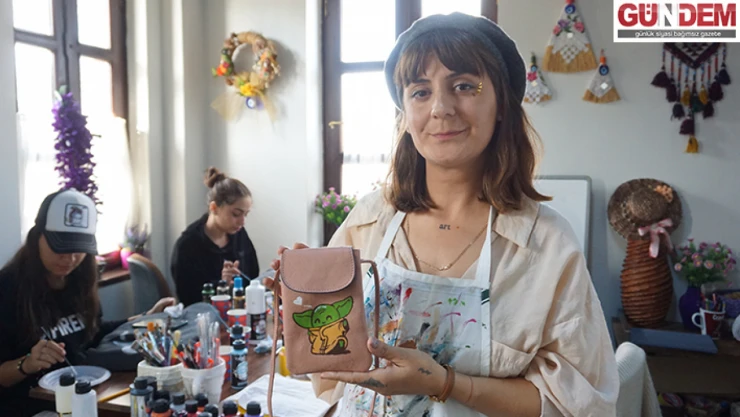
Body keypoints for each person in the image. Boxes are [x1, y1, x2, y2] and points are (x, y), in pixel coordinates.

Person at [268, 13, 619, 417]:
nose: (440, 108)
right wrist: (304, 303)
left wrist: (443, 383)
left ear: (500, 104)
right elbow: (333, 367)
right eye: (420, 92)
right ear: (405, 114)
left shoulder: (546, 245)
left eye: (464, 86)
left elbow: (577, 402)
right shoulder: (368, 220)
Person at [0, 189, 175, 416]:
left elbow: (93, 331)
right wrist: (27, 363)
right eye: (60, 247)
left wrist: (145, 318)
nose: (70, 258)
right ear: (37, 237)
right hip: (31, 406)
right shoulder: (8, 289)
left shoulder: (80, 279)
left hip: (84, 396)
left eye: (79, 249)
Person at [171, 167, 259, 306]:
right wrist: (221, 285)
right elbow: (189, 300)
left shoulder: (239, 235)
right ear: (214, 208)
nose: (242, 222)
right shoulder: (188, 245)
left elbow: (253, 277)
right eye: (236, 214)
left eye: (245, 214)